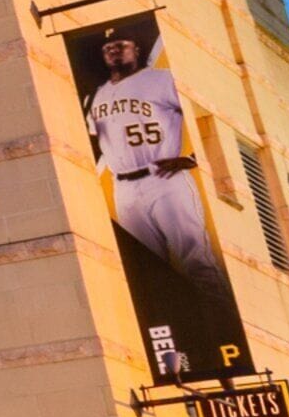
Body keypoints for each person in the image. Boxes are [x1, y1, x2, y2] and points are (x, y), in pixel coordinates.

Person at [84, 26, 227, 303]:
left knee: (195, 256)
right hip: (122, 187)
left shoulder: (162, 80)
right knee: (145, 268)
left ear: (135, 49)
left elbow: (206, 116)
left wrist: (192, 158)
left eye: (121, 44)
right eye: (108, 48)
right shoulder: (96, 96)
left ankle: (218, 314)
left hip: (163, 179)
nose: (114, 50)